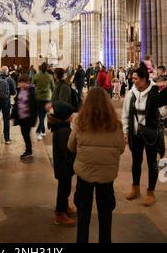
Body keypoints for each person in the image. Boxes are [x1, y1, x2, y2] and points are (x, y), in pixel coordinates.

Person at [68, 87, 125, 243]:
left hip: (84, 174)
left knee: (83, 217)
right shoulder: (116, 124)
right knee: (106, 217)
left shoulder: (79, 122)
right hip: (107, 176)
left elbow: (70, 146)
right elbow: (121, 149)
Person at [122, 62, 162, 206]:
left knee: (152, 163)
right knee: (136, 162)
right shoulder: (130, 94)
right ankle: (135, 188)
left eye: (135, 78)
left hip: (151, 134)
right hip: (136, 134)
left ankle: (150, 192)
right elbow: (126, 114)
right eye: (132, 78)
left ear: (144, 79)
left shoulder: (155, 92)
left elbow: (162, 111)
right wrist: (125, 132)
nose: (133, 81)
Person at [48, 101, 76, 226]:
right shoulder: (64, 131)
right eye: (71, 115)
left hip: (63, 166)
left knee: (65, 188)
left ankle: (64, 206)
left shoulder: (60, 127)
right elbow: (67, 150)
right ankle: (60, 213)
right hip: (64, 166)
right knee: (64, 189)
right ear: (65, 117)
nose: (73, 116)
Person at [10, 74, 37, 159]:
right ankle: (28, 150)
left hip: (28, 118)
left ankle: (29, 151)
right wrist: (12, 115)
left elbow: (34, 106)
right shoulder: (20, 90)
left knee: (26, 134)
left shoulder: (31, 92)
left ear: (27, 82)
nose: (20, 84)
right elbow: (17, 103)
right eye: (20, 82)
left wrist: (33, 118)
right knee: (24, 134)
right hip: (21, 117)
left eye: (22, 82)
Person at [0, 66, 16, 144]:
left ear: (1, 72)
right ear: (7, 72)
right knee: (6, 120)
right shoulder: (10, 80)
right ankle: (7, 139)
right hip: (6, 102)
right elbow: (14, 92)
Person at [33, 63, 55, 140]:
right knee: (43, 115)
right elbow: (53, 88)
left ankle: (42, 131)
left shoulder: (36, 76)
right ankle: (39, 131)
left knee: (41, 115)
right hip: (47, 98)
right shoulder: (50, 76)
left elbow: (33, 84)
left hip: (38, 98)